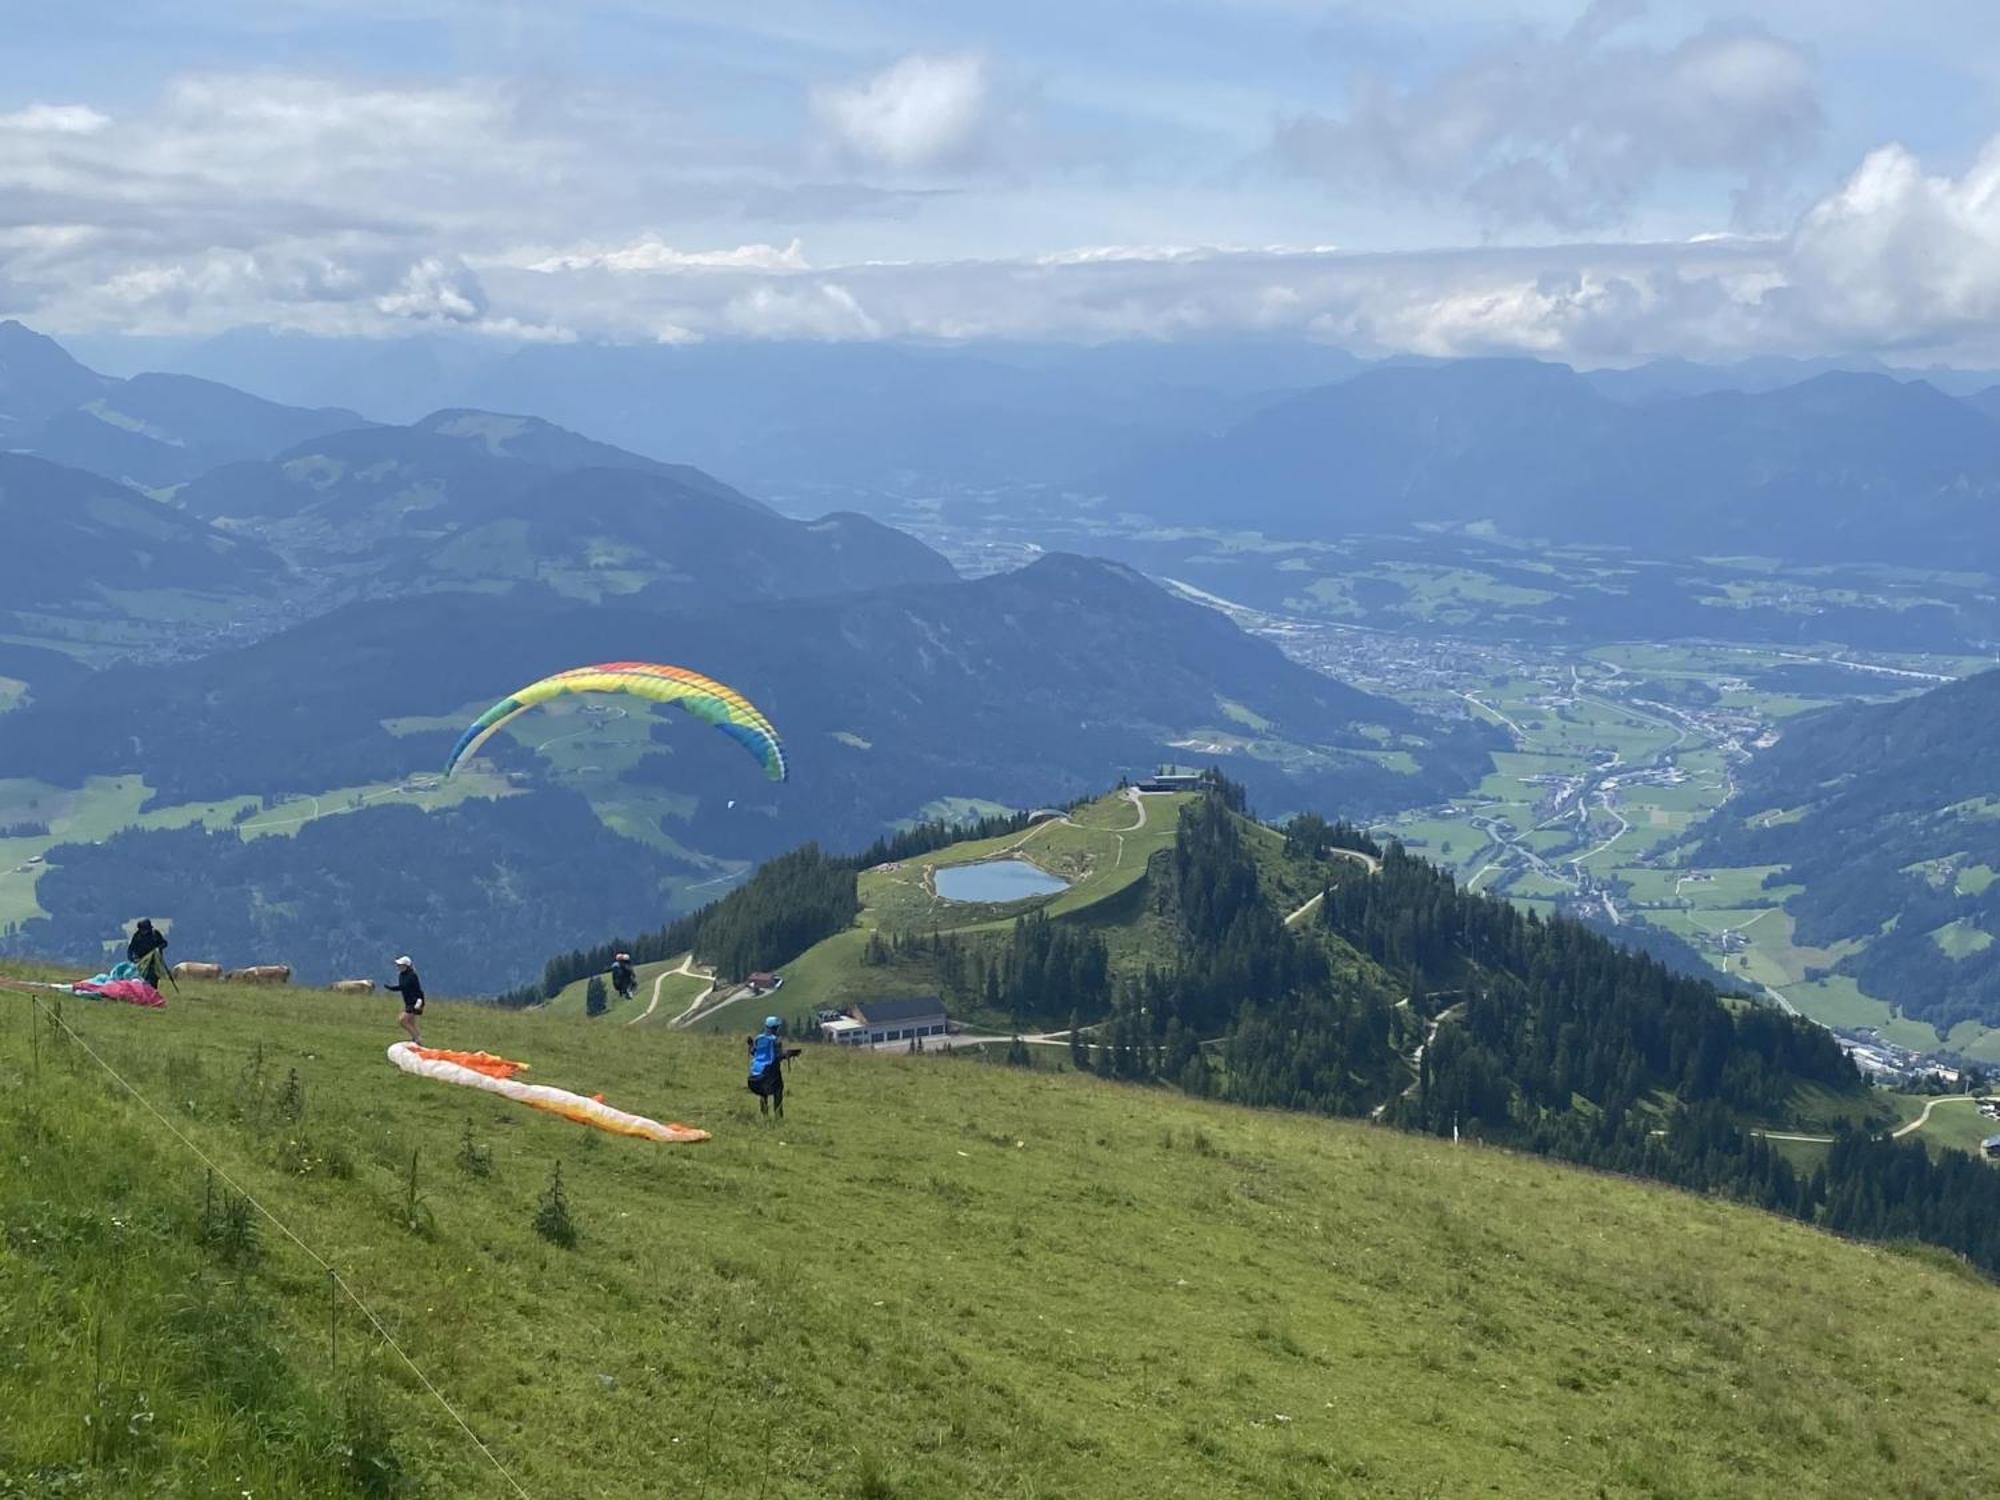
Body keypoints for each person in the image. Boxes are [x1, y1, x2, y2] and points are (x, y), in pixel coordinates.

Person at [745, 1016, 801, 1119]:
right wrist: (790, 1054)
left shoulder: (758, 1038)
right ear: (775, 1028)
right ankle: (778, 1116)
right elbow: (778, 1056)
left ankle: (764, 1115)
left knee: (763, 1093)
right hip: (769, 1074)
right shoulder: (776, 1040)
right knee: (778, 1089)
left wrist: (750, 1044)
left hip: (755, 1075)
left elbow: (754, 1052)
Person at [390, 955, 426, 1046]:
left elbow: (405, 986)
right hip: (408, 1002)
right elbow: (403, 987)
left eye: (401, 965)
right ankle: (417, 1040)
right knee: (411, 1022)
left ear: (406, 966)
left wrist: (393, 988)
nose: (398, 967)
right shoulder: (402, 975)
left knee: (402, 1020)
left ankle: (417, 1039)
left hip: (416, 1002)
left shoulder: (412, 975)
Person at [126, 919, 168, 986]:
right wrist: (131, 958)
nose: (144, 931)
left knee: (153, 978)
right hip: (141, 962)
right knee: (144, 979)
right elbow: (131, 948)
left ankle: (152, 992)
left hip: (154, 962)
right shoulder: (137, 936)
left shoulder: (155, 934)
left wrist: (158, 948)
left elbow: (164, 943)